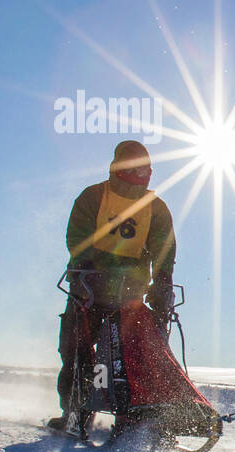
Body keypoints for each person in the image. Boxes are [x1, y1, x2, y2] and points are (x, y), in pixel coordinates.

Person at [48, 141, 177, 431]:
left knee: (131, 354)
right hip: (89, 290)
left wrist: (163, 282)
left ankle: (133, 414)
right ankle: (75, 409)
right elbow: (78, 236)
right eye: (133, 168)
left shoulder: (156, 209)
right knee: (76, 348)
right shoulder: (94, 197)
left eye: (143, 169)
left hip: (129, 295)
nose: (138, 174)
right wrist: (85, 268)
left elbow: (164, 249)